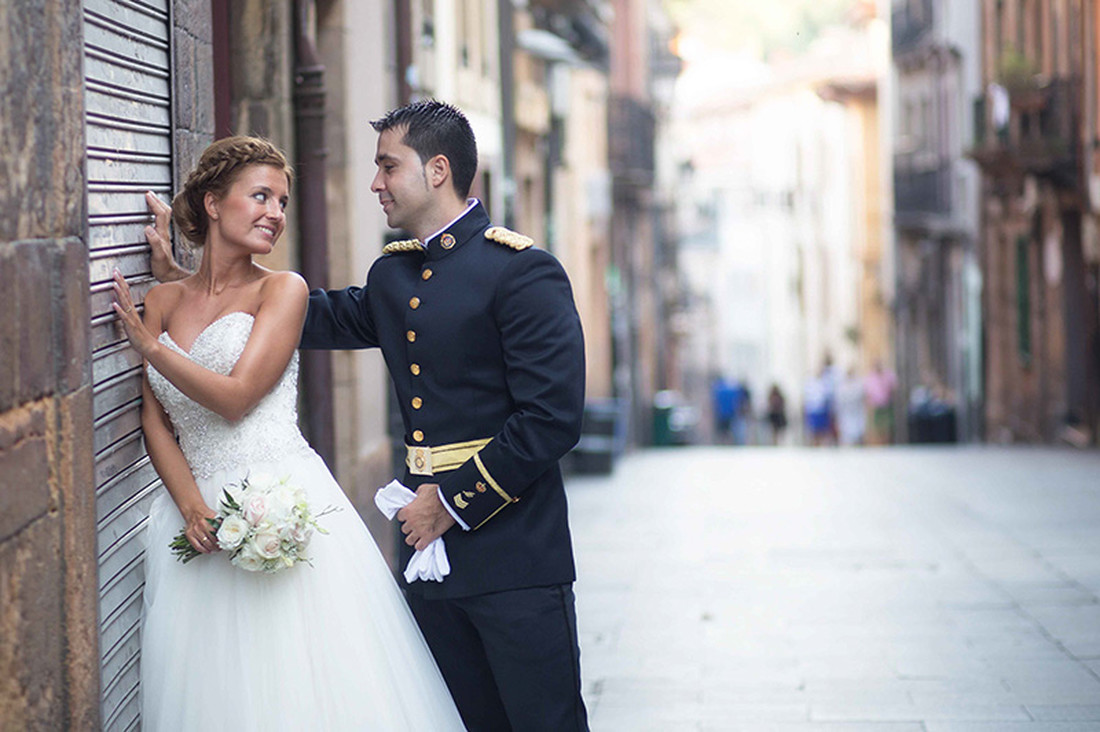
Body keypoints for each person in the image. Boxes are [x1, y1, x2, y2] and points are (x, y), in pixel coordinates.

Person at [149, 101, 590, 731]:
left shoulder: (520, 271)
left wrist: (453, 501)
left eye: (388, 166)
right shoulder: (394, 275)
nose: (375, 183)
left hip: (513, 555)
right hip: (423, 555)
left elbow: (551, 419)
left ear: (438, 170)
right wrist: (190, 288)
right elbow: (290, 314)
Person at [113, 136, 465, 730]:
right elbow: (156, 421)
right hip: (193, 518)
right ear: (212, 203)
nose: (275, 212)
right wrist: (191, 506)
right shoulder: (163, 298)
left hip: (283, 501)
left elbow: (237, 397)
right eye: (259, 196)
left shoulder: (284, 290)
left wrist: (149, 347)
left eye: (281, 200)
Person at [864, 359, 897, 444]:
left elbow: (893, 388)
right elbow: (868, 393)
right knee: (878, 427)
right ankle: (880, 444)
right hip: (876, 406)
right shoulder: (870, 377)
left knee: (888, 426)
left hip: (887, 404)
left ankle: (888, 443)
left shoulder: (888, 375)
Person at [836, 366, 866, 446]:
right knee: (847, 437)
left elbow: (861, 396)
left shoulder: (858, 384)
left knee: (857, 435)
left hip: (856, 413)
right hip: (846, 414)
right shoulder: (842, 386)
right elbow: (840, 401)